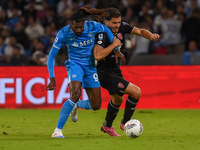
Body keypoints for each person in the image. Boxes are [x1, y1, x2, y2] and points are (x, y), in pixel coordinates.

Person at [46, 6, 122, 138]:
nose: (79, 30)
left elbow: (106, 30)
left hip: (91, 66)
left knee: (96, 105)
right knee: (75, 94)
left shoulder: (92, 26)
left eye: (80, 27)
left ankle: (75, 105)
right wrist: (51, 78)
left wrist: (116, 49)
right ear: (71, 24)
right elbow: (51, 56)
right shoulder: (63, 33)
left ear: (84, 23)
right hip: (75, 65)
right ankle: (57, 130)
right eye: (76, 27)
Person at [93, 7, 159, 137]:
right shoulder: (101, 33)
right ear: (106, 22)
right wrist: (114, 46)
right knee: (136, 92)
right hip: (104, 73)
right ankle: (126, 123)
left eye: (119, 22)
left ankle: (107, 126)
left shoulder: (121, 26)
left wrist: (149, 35)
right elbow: (97, 55)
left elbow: (139, 31)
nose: (117, 25)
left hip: (115, 70)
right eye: (114, 23)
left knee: (117, 100)